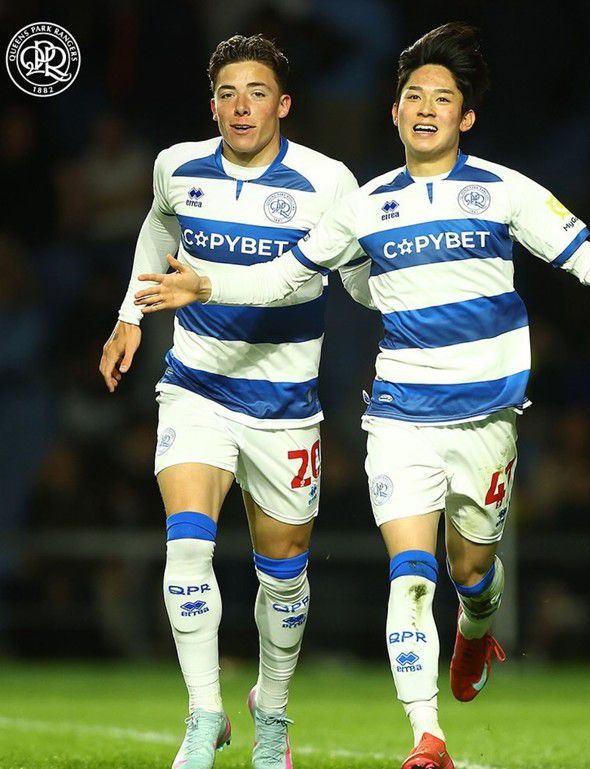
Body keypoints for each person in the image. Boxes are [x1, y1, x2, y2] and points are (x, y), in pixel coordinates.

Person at [133, 23, 590, 769]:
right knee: (410, 576)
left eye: (442, 98)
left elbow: (584, 258)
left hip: (487, 420)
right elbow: (285, 276)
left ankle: (477, 625)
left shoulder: (504, 190)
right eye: (413, 95)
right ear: (394, 111)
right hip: (400, 419)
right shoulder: (364, 206)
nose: (426, 108)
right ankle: (426, 735)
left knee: (471, 569)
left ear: (465, 117)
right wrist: (206, 284)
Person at [99, 33, 373, 769]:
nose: (241, 106)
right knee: (187, 541)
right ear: (213, 105)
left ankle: (272, 711)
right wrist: (131, 314)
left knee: (283, 569)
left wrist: (408, 309)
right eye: (227, 93)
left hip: (285, 404)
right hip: (197, 386)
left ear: (284, 105)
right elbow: (159, 224)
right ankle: (204, 713)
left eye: (257, 93)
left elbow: (354, 276)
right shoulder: (176, 167)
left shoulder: (329, 182)